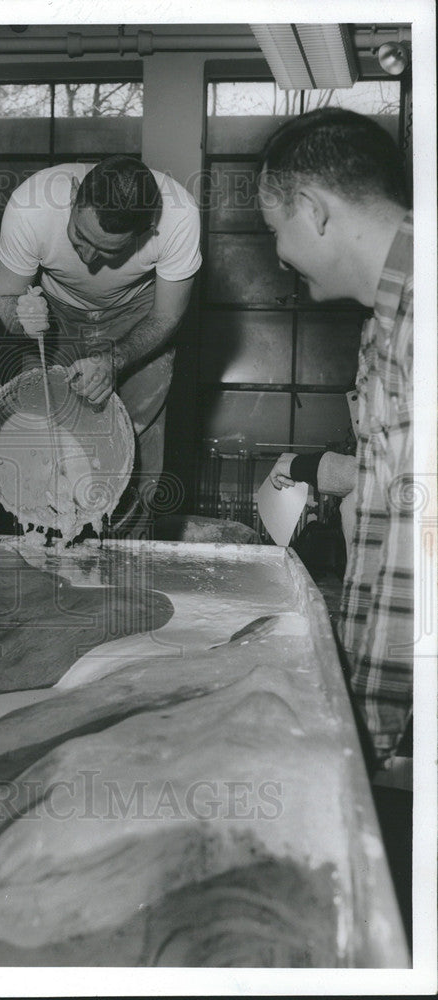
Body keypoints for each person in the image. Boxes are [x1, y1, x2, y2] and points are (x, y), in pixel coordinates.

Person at [259, 108, 413, 771]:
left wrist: (379, 742)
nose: (277, 254)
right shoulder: (384, 320)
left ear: (313, 210)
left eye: (274, 229)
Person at [0, 155, 201, 521]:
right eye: (79, 236)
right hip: (55, 308)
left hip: (138, 311)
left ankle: (130, 548)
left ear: (149, 227)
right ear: (73, 195)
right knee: (42, 425)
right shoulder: (31, 206)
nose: (88, 259)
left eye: (108, 250)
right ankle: (41, 536)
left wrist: (114, 361)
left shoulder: (179, 217)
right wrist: (22, 318)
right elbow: (4, 297)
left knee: (136, 434)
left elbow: (167, 315)